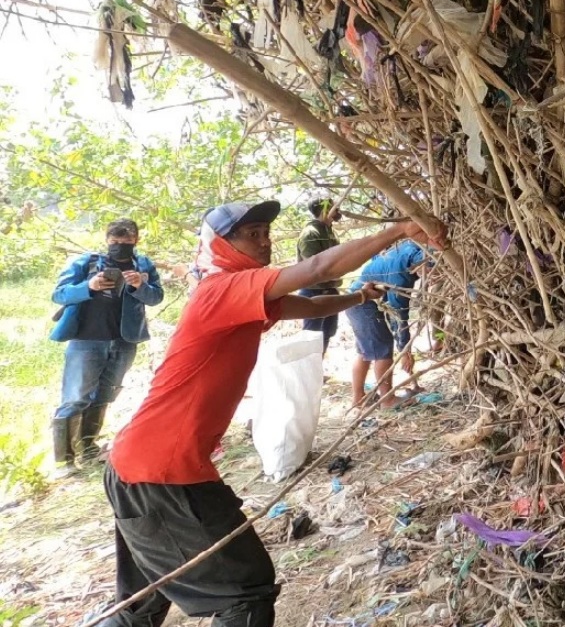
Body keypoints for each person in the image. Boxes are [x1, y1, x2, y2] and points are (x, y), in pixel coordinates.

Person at [100, 201, 446, 627]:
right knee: (246, 592)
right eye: (252, 234)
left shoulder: (235, 293)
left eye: (266, 231)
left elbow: (312, 306)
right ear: (219, 244)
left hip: (136, 464)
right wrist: (397, 230)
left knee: (145, 597)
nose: (265, 241)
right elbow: (317, 269)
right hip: (165, 472)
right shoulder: (222, 288)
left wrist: (359, 295)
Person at [49, 219, 163, 475]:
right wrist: (88, 286)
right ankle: (63, 462)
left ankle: (88, 449)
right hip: (86, 340)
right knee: (76, 396)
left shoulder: (143, 265)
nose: (120, 245)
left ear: (136, 240)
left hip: (125, 340)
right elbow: (59, 294)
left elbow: (156, 297)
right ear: (106, 239)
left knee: (105, 394)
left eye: (126, 241)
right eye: (115, 241)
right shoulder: (86, 262)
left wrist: (139, 285)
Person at [343, 239, 429, 409]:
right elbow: (399, 315)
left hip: (353, 299)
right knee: (383, 349)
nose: (432, 277)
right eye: (430, 271)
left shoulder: (407, 250)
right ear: (419, 264)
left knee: (365, 351)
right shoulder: (401, 275)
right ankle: (387, 400)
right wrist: (405, 350)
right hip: (362, 301)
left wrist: (405, 349)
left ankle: (358, 398)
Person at [295, 198, 343, 352]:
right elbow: (313, 266)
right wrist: (333, 273)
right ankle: (307, 375)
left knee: (327, 334)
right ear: (325, 210)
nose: (338, 210)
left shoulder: (329, 231)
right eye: (334, 207)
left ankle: (317, 372)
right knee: (312, 339)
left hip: (330, 291)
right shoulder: (311, 233)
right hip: (314, 292)